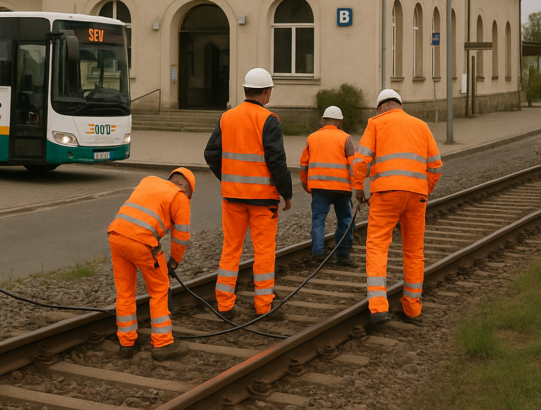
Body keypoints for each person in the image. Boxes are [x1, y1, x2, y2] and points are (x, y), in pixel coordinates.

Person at [204, 68, 292, 320]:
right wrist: (286, 192)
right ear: (266, 92)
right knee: (263, 251)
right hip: (263, 200)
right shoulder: (269, 119)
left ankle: (224, 305)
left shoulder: (227, 117)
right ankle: (264, 305)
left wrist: (230, 177)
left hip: (233, 198)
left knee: (231, 249)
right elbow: (276, 159)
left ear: (245, 90)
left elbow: (210, 154)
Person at [351, 89, 442, 328]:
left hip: (386, 194)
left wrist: (358, 189)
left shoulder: (376, 124)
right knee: (414, 251)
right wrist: (424, 190)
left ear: (380, 107)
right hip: (416, 195)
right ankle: (412, 308)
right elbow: (436, 166)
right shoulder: (421, 125)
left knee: (378, 246)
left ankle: (379, 307)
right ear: (399, 105)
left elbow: (360, 161)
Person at [107, 167, 194, 362]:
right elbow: (181, 237)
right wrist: (174, 261)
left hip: (116, 236)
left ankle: (126, 343)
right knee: (160, 290)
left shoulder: (149, 180)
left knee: (124, 292)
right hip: (142, 243)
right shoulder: (180, 197)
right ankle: (163, 343)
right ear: (186, 189)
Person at [300, 106, 357, 267]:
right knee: (345, 220)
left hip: (318, 187)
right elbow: (354, 165)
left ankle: (318, 253)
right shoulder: (346, 139)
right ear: (340, 122)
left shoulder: (312, 138)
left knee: (318, 220)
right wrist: (356, 186)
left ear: (323, 120)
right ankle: (343, 255)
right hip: (342, 189)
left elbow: (303, 164)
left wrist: (306, 184)